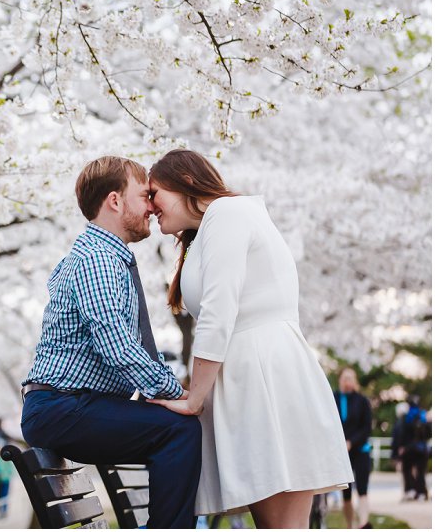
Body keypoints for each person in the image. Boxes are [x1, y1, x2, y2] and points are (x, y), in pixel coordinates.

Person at [147, 149, 353, 529]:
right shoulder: (213, 226)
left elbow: (218, 311)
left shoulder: (228, 214)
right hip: (254, 373)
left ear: (185, 183)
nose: (149, 205)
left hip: (262, 377)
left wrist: (195, 400)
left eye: (154, 193)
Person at [20, 156, 201, 529]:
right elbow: (117, 345)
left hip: (71, 404)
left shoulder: (104, 257)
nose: (152, 206)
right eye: (144, 195)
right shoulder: (99, 259)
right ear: (115, 201)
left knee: (178, 427)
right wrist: (176, 393)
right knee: (179, 429)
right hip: (61, 407)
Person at [334, 367, 373, 528]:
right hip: (342, 453)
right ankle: (350, 526)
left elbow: (366, 428)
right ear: (340, 380)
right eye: (345, 378)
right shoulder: (334, 398)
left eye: (350, 378)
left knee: (362, 489)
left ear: (355, 381)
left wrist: (351, 442)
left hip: (360, 450)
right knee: (346, 493)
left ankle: (364, 524)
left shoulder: (362, 401)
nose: (347, 381)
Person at [395, 395, 432, 500]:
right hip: (422, 448)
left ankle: (410, 491)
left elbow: (401, 433)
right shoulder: (422, 415)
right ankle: (421, 492)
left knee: (407, 470)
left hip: (409, 449)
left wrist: (401, 447)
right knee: (420, 472)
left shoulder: (406, 417)